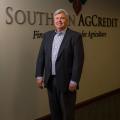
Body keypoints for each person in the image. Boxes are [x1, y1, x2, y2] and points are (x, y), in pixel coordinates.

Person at [35, 9, 84, 120]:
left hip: (67, 81)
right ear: (54, 20)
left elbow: (78, 60)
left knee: (67, 113)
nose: (59, 20)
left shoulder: (75, 37)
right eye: (57, 18)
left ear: (67, 20)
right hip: (50, 80)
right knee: (54, 112)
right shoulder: (47, 36)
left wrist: (74, 80)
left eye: (62, 18)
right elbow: (41, 57)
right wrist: (39, 76)